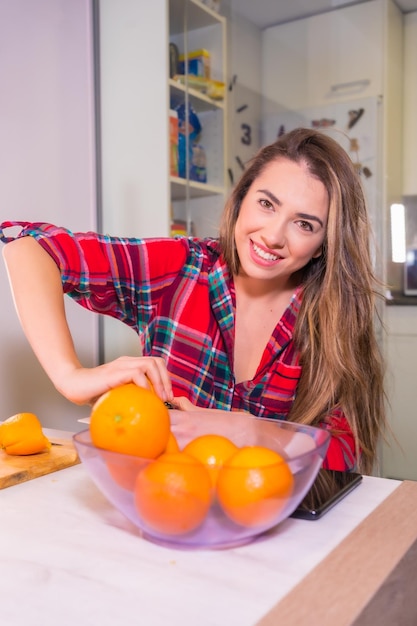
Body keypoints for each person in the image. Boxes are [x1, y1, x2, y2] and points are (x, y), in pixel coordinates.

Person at [0, 127, 386, 474]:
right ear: (241, 200)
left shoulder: (334, 319)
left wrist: (250, 430)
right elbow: (28, 245)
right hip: (160, 506)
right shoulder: (178, 269)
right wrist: (72, 377)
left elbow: (343, 456)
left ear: (323, 245)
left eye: (304, 224)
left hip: (274, 528)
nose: (273, 236)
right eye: (266, 204)